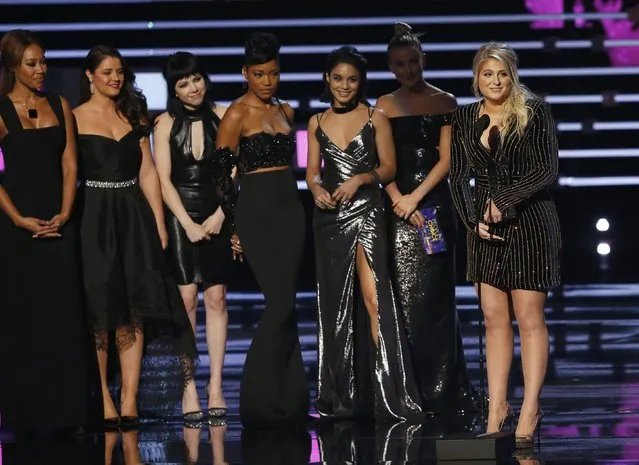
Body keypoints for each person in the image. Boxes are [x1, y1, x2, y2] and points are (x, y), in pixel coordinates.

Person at [73, 45, 198, 427]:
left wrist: (159, 223)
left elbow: (147, 173)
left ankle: (128, 400)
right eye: (107, 72)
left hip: (133, 215)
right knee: (101, 309)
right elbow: (66, 171)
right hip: (93, 215)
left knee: (135, 308)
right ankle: (105, 402)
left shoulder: (132, 113)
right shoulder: (73, 118)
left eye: (119, 72)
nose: (115, 78)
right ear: (89, 76)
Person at [448, 42, 561, 448]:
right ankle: (498, 408)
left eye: (502, 74)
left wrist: (506, 200)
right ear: (476, 78)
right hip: (484, 230)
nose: (495, 81)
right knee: (494, 320)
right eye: (487, 74)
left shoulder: (535, 111)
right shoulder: (463, 118)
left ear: (513, 76)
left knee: (529, 317)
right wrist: (472, 220)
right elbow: (458, 177)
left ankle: (530, 406)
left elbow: (547, 169)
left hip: (530, 223)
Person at [305, 45, 421, 421]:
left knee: (375, 299)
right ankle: (339, 398)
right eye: (337, 78)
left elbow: (388, 167)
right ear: (327, 79)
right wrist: (317, 189)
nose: (344, 86)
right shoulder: (315, 122)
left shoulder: (376, 117)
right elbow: (311, 173)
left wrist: (358, 180)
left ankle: (392, 395)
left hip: (368, 211)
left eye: (351, 79)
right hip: (329, 218)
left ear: (361, 82)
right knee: (333, 307)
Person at [376, 23, 479, 415]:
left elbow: (449, 160)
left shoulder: (446, 102)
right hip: (397, 211)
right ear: (391, 67)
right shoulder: (383, 106)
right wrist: (398, 198)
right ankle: (407, 389)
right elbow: (380, 163)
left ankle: (441, 389)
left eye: (413, 62)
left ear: (424, 61)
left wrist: (416, 198)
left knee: (436, 300)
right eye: (399, 64)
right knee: (401, 302)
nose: (407, 69)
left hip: (434, 207)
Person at [0, 29, 92, 436]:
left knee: (63, 314)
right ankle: (26, 413)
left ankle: (68, 411)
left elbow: (71, 163)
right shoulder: (0, 110)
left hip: (59, 223)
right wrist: (18, 218)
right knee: (25, 316)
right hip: (19, 230)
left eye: (43, 62)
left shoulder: (60, 103)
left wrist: (66, 211)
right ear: (13, 67)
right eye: (31, 64)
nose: (41, 70)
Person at [214, 32, 309, 426]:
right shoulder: (236, 113)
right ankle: (255, 398)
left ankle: (288, 401)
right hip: (256, 213)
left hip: (291, 211)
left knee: (286, 306)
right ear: (244, 73)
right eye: (259, 74)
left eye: (272, 73)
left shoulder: (286, 111)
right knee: (279, 305)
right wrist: (234, 226)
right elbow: (220, 175)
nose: (267, 81)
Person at [154, 52, 231, 422]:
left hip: (218, 214)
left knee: (216, 298)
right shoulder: (165, 123)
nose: (192, 87)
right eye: (183, 83)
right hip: (181, 217)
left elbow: (235, 172)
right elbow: (163, 180)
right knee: (187, 300)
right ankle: (188, 387)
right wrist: (186, 222)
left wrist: (220, 214)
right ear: (174, 89)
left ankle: (214, 385)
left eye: (196, 78)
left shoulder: (224, 114)